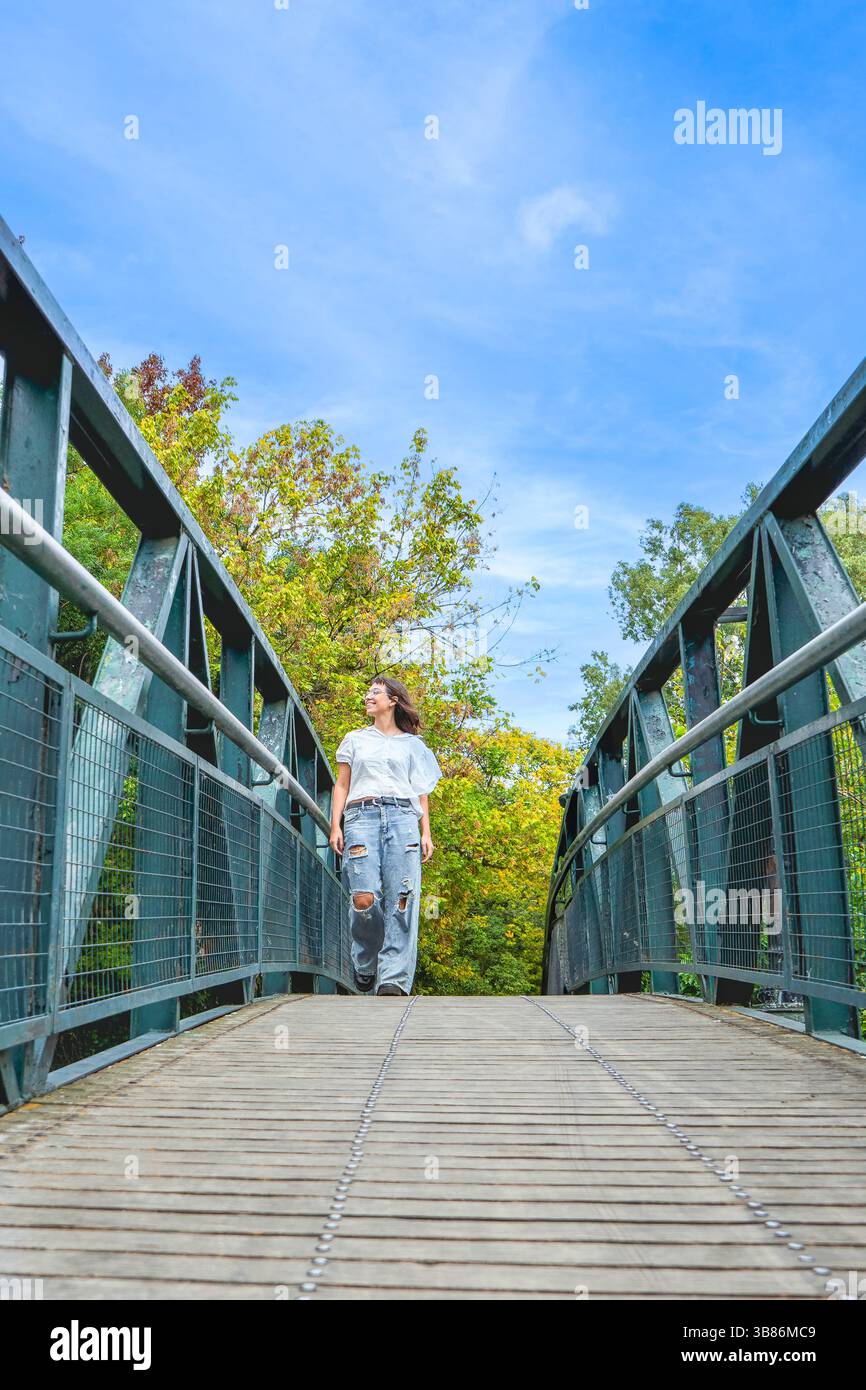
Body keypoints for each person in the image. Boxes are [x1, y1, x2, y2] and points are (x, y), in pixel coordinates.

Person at [329, 677, 441, 995]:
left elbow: (420, 791)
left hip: (403, 818)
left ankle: (393, 977)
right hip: (360, 817)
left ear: (392, 700)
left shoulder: (413, 745)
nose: (368, 696)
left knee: (402, 901)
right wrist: (336, 824)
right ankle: (366, 961)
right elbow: (341, 785)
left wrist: (426, 832)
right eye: (367, 692)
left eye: (375, 692)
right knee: (363, 897)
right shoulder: (354, 739)